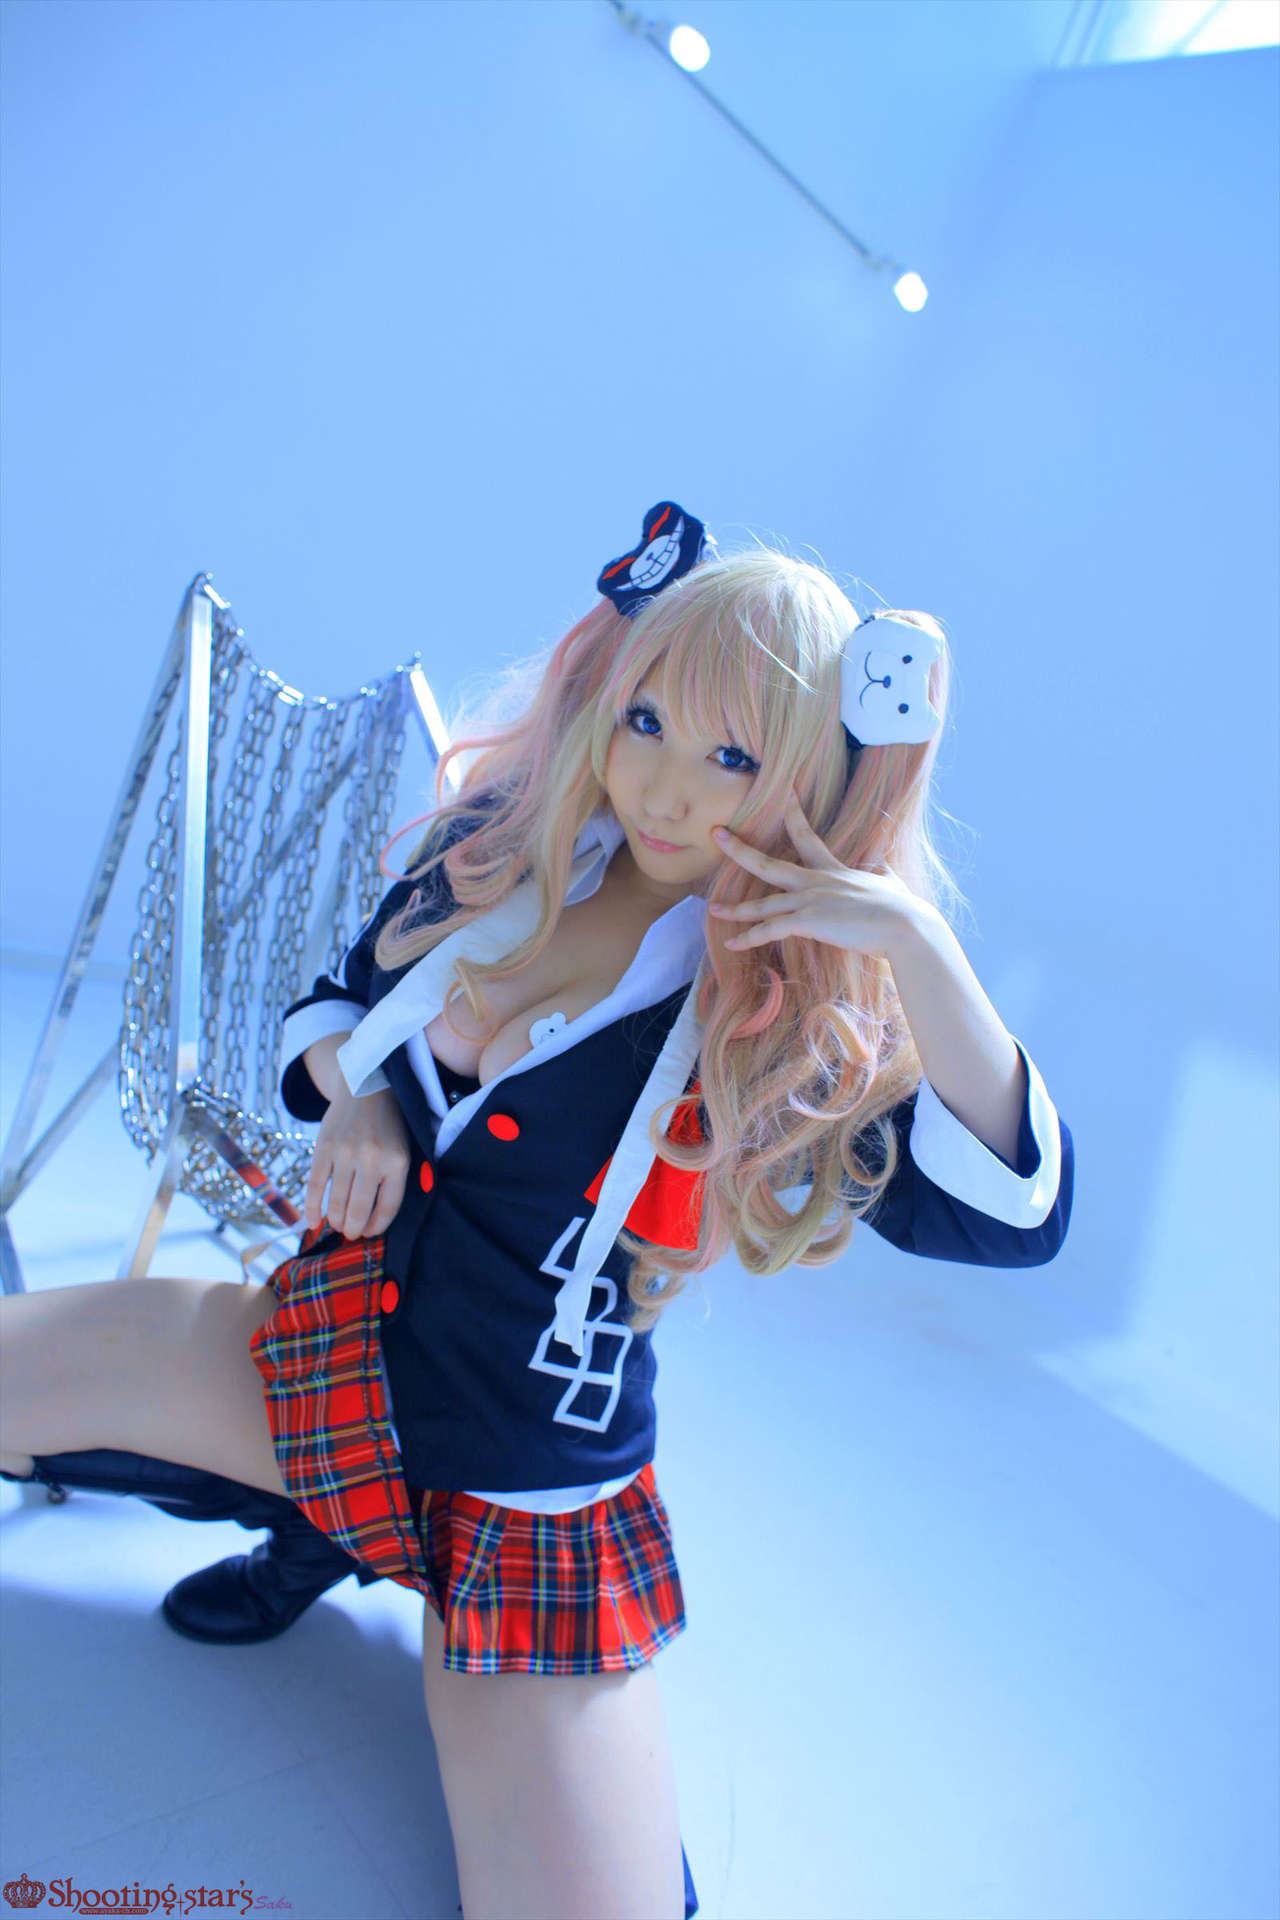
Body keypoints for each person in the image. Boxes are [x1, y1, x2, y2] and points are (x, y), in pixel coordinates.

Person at [0, 502, 1074, 1920]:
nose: (668, 792)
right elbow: (331, 1002)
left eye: (735, 758)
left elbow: (1011, 1217)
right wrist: (362, 1097)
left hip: (525, 1488)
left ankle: (358, 1544)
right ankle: (320, 1524)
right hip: (322, 1354)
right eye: (648, 723)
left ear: (812, 778)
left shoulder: (773, 1010)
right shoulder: (505, 845)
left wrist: (914, 940)